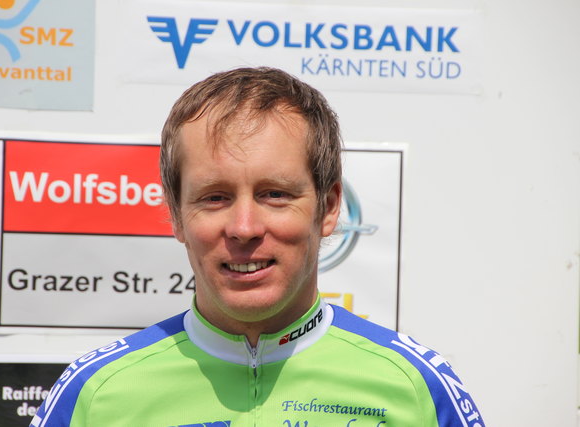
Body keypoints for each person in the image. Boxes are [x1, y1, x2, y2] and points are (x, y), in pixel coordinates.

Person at [30, 67, 485, 427]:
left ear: (328, 209)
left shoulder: (416, 387)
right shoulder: (95, 394)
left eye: (275, 194)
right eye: (214, 197)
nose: (244, 228)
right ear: (176, 216)